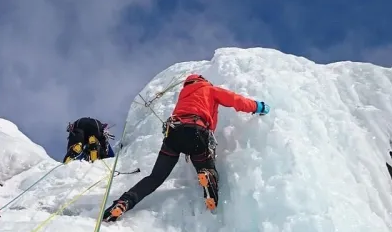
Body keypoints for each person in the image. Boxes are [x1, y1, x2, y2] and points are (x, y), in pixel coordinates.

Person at [102, 74, 269, 222]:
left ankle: (124, 202)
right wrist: (258, 107)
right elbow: (235, 100)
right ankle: (207, 176)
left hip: (173, 134)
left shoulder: (183, 95)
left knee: (155, 178)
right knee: (207, 167)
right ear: (203, 81)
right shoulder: (210, 90)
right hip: (196, 132)